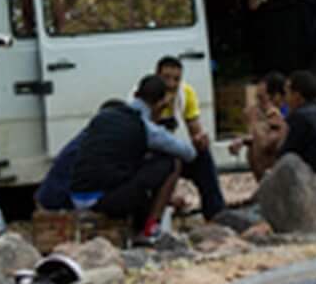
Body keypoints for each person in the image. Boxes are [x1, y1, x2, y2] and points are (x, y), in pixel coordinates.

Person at [67, 73, 194, 239]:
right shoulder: (145, 128)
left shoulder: (104, 116)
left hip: (77, 194)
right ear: (160, 105)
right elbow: (188, 153)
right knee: (171, 163)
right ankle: (151, 227)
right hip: (101, 200)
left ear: (135, 95)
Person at [153, 55, 226, 219]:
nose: (171, 84)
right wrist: (159, 107)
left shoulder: (185, 94)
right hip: (151, 155)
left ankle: (215, 212)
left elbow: (195, 128)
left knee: (203, 157)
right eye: (166, 78)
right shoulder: (145, 93)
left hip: (172, 150)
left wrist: (200, 139)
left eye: (176, 79)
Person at [235, 75, 290, 179]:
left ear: (276, 97)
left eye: (261, 98)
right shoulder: (268, 114)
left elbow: (266, 143)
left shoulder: (285, 115)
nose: (257, 104)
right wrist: (242, 140)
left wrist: (254, 123)